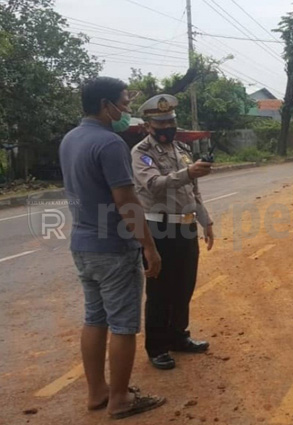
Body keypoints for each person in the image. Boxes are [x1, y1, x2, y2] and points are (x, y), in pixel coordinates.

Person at [59, 77, 165, 419]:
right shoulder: (110, 144)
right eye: (123, 101)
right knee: (123, 324)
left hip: (83, 244)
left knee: (94, 318)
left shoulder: (70, 139)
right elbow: (126, 201)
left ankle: (97, 393)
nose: (127, 108)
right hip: (114, 248)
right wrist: (148, 246)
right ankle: (120, 399)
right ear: (106, 105)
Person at [131, 94, 214, 370]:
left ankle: (179, 336)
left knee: (184, 286)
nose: (167, 127)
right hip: (159, 229)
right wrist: (189, 172)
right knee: (160, 291)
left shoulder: (180, 150)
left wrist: (206, 221)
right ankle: (157, 347)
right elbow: (154, 184)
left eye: (171, 122)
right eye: (160, 123)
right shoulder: (141, 153)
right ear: (148, 126)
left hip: (186, 228)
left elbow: (194, 190)